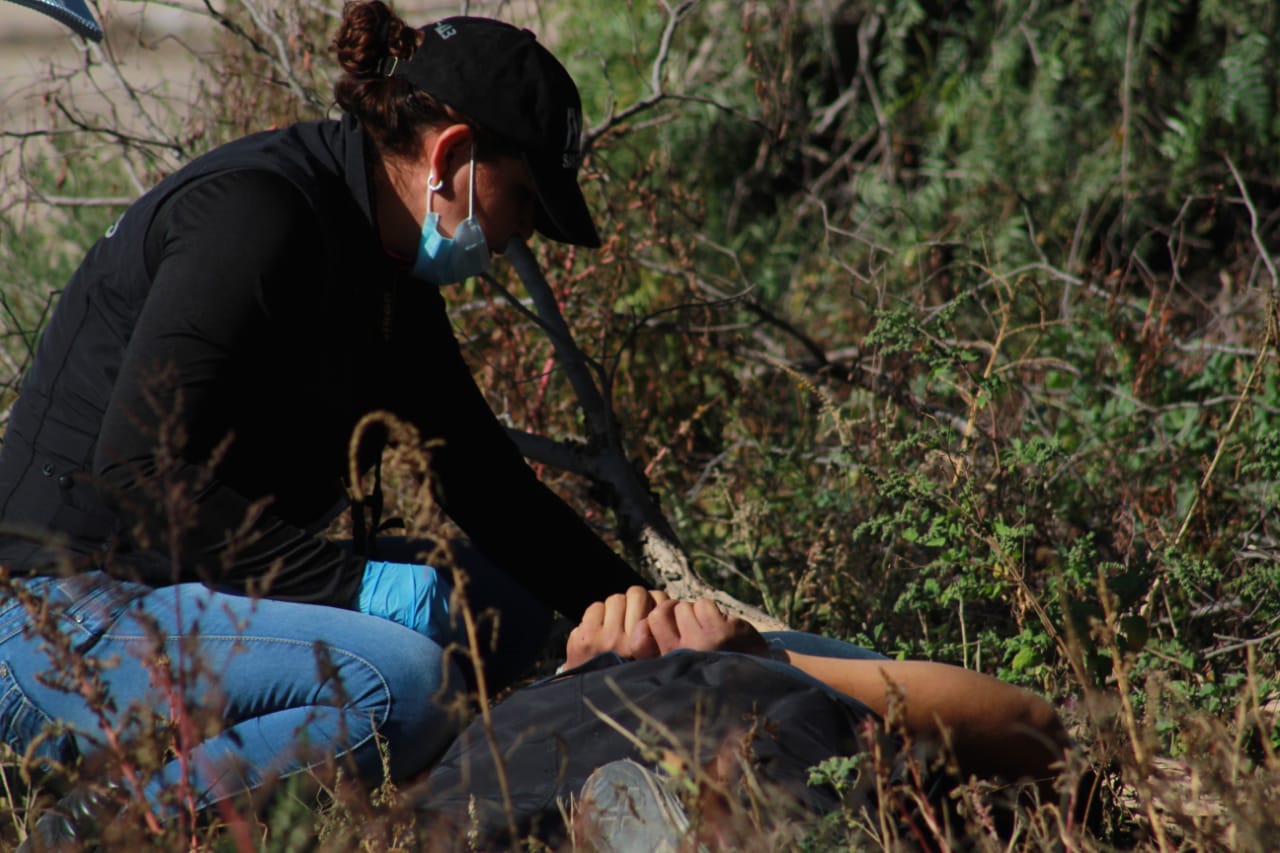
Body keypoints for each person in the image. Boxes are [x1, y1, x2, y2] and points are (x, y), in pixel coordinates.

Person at [0, 0, 650, 835]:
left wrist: (651, 611)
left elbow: (492, 491)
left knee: (510, 606)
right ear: (453, 152)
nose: (522, 232)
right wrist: (358, 587)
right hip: (53, 621)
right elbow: (136, 475)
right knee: (405, 681)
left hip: (177, 594)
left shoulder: (385, 269)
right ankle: (109, 828)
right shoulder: (256, 215)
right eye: (524, 197)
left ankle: (342, 781)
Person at [418, 588, 1071, 849]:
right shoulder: (772, 673)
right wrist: (768, 659)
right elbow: (1033, 723)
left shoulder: (511, 717)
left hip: (518, 752)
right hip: (744, 712)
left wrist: (578, 675)